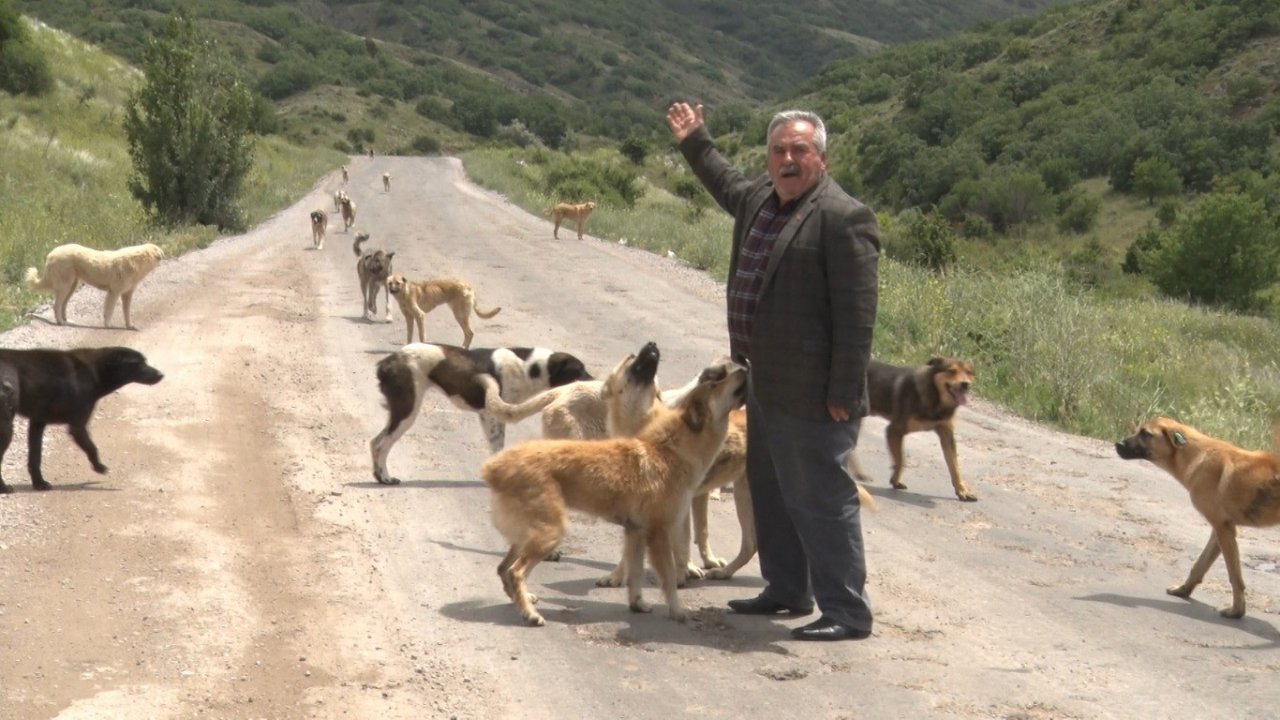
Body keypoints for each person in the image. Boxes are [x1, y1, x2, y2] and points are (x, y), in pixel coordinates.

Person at [666, 102, 879, 641]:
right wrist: (695, 139)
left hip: (815, 394)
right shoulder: (760, 199)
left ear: (821, 159)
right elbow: (723, 180)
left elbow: (857, 318)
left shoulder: (843, 216)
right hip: (762, 382)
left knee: (823, 502)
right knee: (771, 490)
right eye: (779, 150)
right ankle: (787, 589)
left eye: (799, 150)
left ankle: (847, 612)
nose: (788, 159)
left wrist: (843, 393)